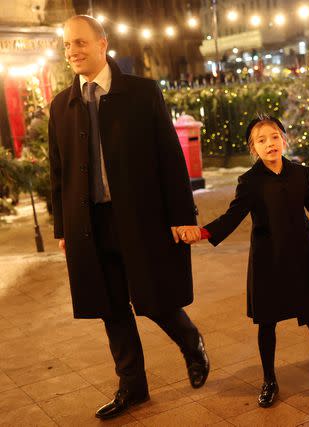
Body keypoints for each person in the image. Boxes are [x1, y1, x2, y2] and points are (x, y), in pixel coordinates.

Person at [48, 15, 208, 420]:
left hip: (138, 218)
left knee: (153, 299)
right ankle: (132, 387)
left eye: (80, 43)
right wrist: (63, 228)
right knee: (111, 307)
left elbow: (170, 159)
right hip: (89, 223)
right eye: (68, 46)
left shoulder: (142, 92)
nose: (73, 52)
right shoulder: (61, 105)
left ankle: (191, 342)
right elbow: (58, 171)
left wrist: (181, 215)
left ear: (102, 44)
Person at [179, 116, 309, 408]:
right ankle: (269, 380)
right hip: (268, 259)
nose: (270, 144)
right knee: (267, 322)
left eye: (275, 137)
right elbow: (232, 217)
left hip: (302, 253)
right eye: (262, 140)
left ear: (284, 140)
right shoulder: (250, 182)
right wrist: (203, 232)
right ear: (253, 148)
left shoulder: (299, 172)